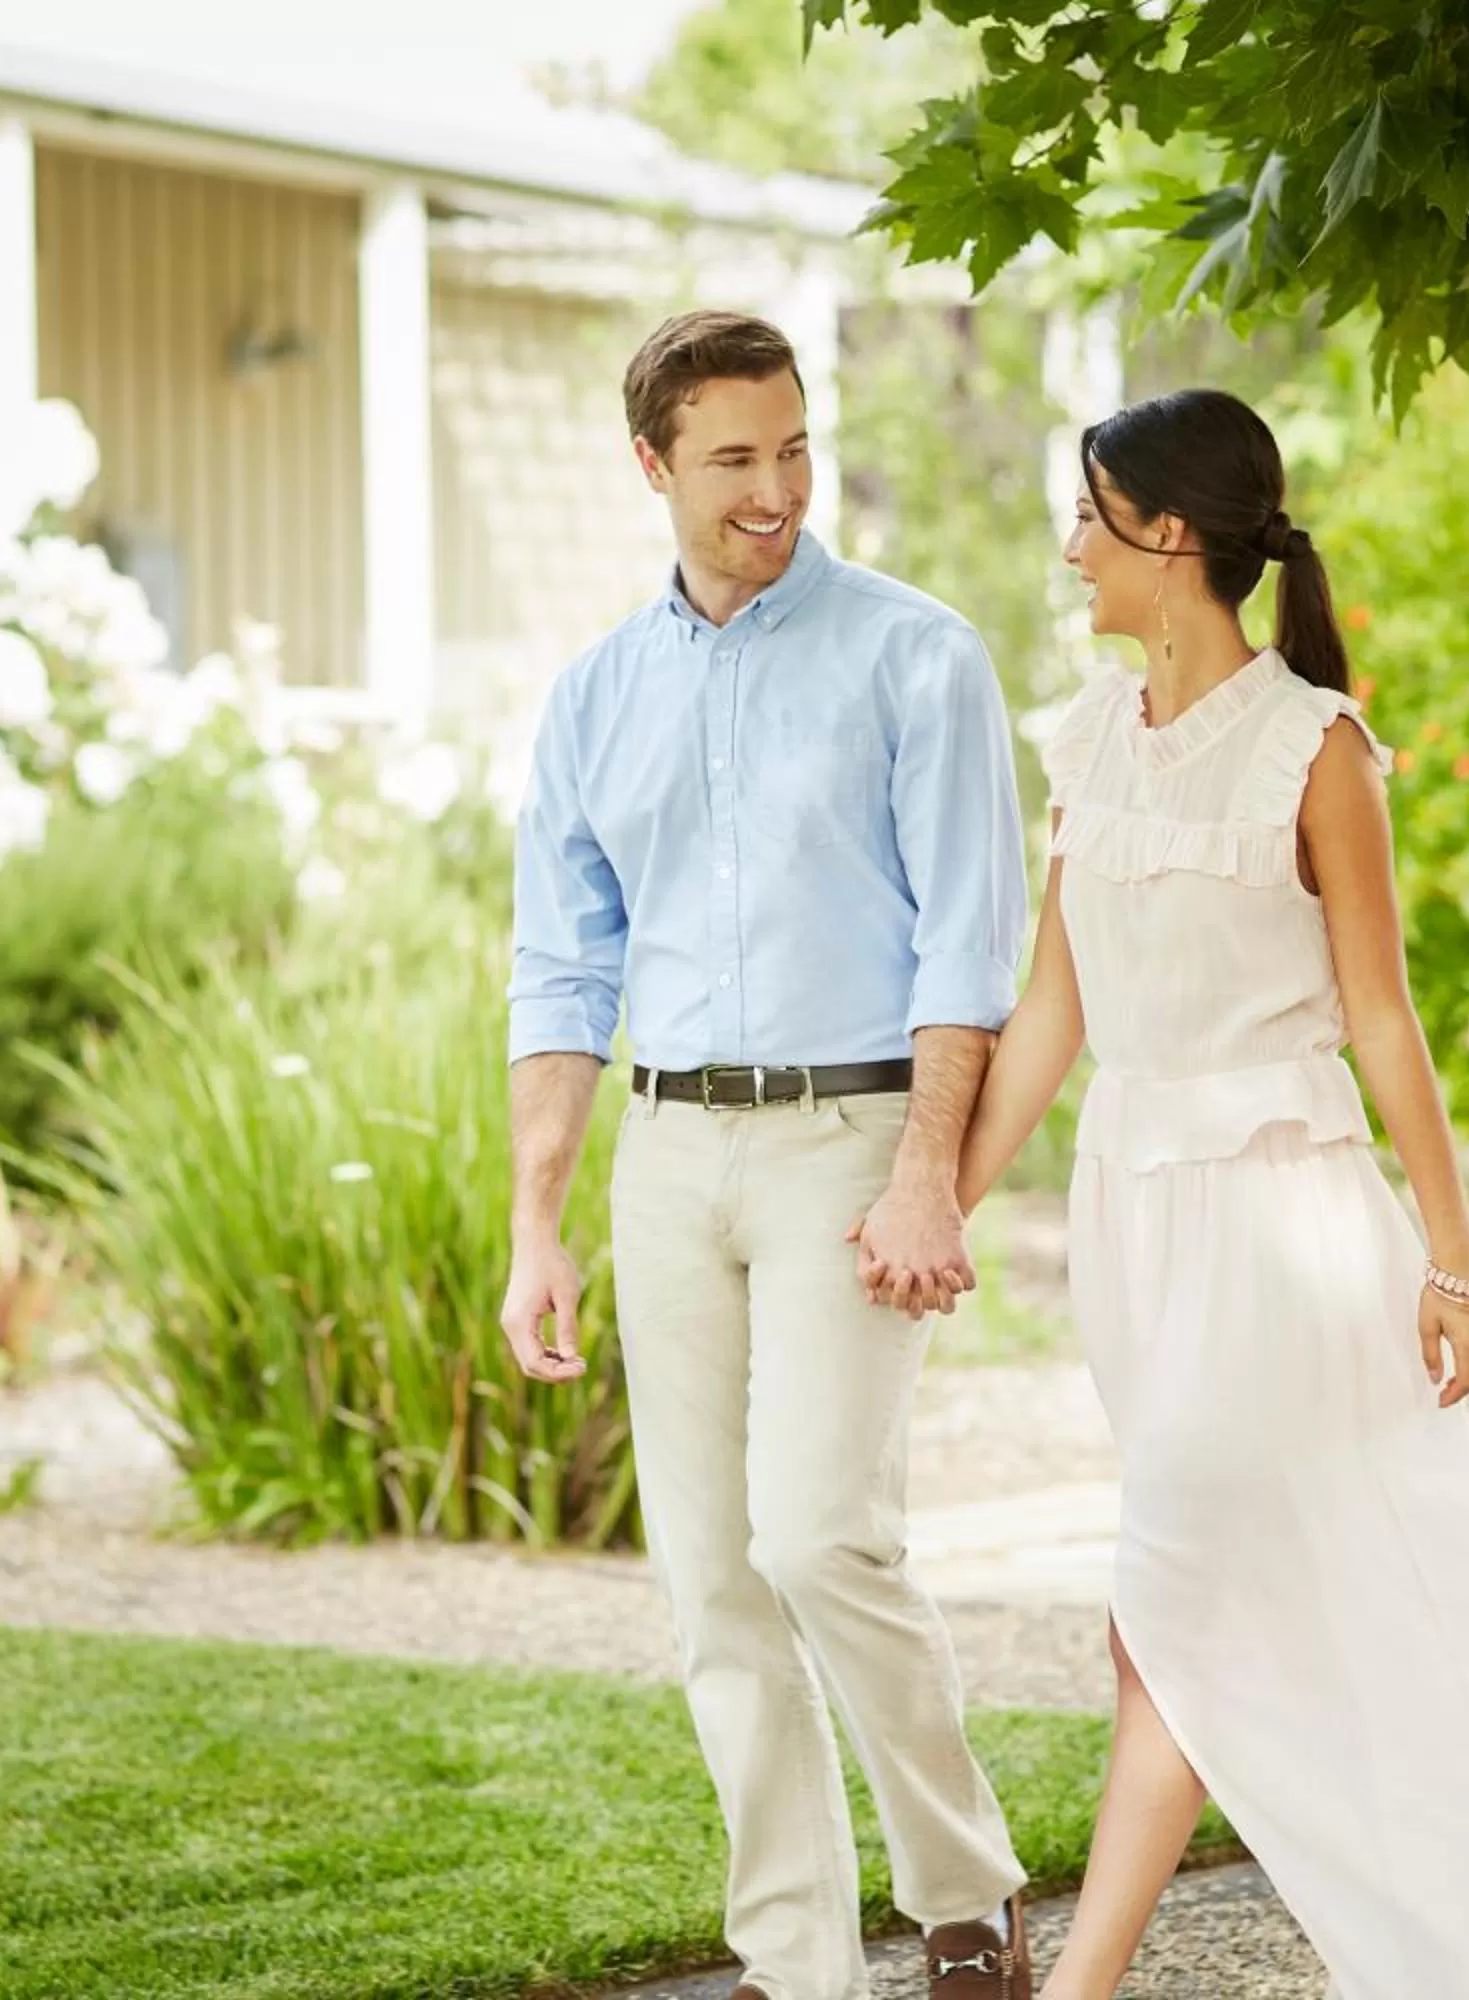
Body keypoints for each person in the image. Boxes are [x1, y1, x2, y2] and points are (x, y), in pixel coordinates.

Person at [955, 389, 1469, 2000]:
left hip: (1280, 1223)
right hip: (1135, 1224)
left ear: (1170, 539)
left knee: (1165, 1605)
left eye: (1090, 515)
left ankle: (1078, 1986)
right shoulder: (1089, 737)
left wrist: (1458, 1267)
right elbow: (1053, 1010)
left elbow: (1386, 1018)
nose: (1069, 545)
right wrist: (938, 1202)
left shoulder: (1319, 748)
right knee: (1229, 1604)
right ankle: (1424, 1910)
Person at [502, 309, 1036, 2000]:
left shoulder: (916, 654)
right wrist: (540, 1225)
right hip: (668, 1157)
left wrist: (928, 1171)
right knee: (715, 1588)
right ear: (651, 465)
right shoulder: (594, 697)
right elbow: (562, 969)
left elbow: (972, 937)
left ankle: (964, 1892)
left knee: (820, 1538)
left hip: (850, 1137)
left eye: (793, 447)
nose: (776, 488)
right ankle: (797, 1963)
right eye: (734, 457)